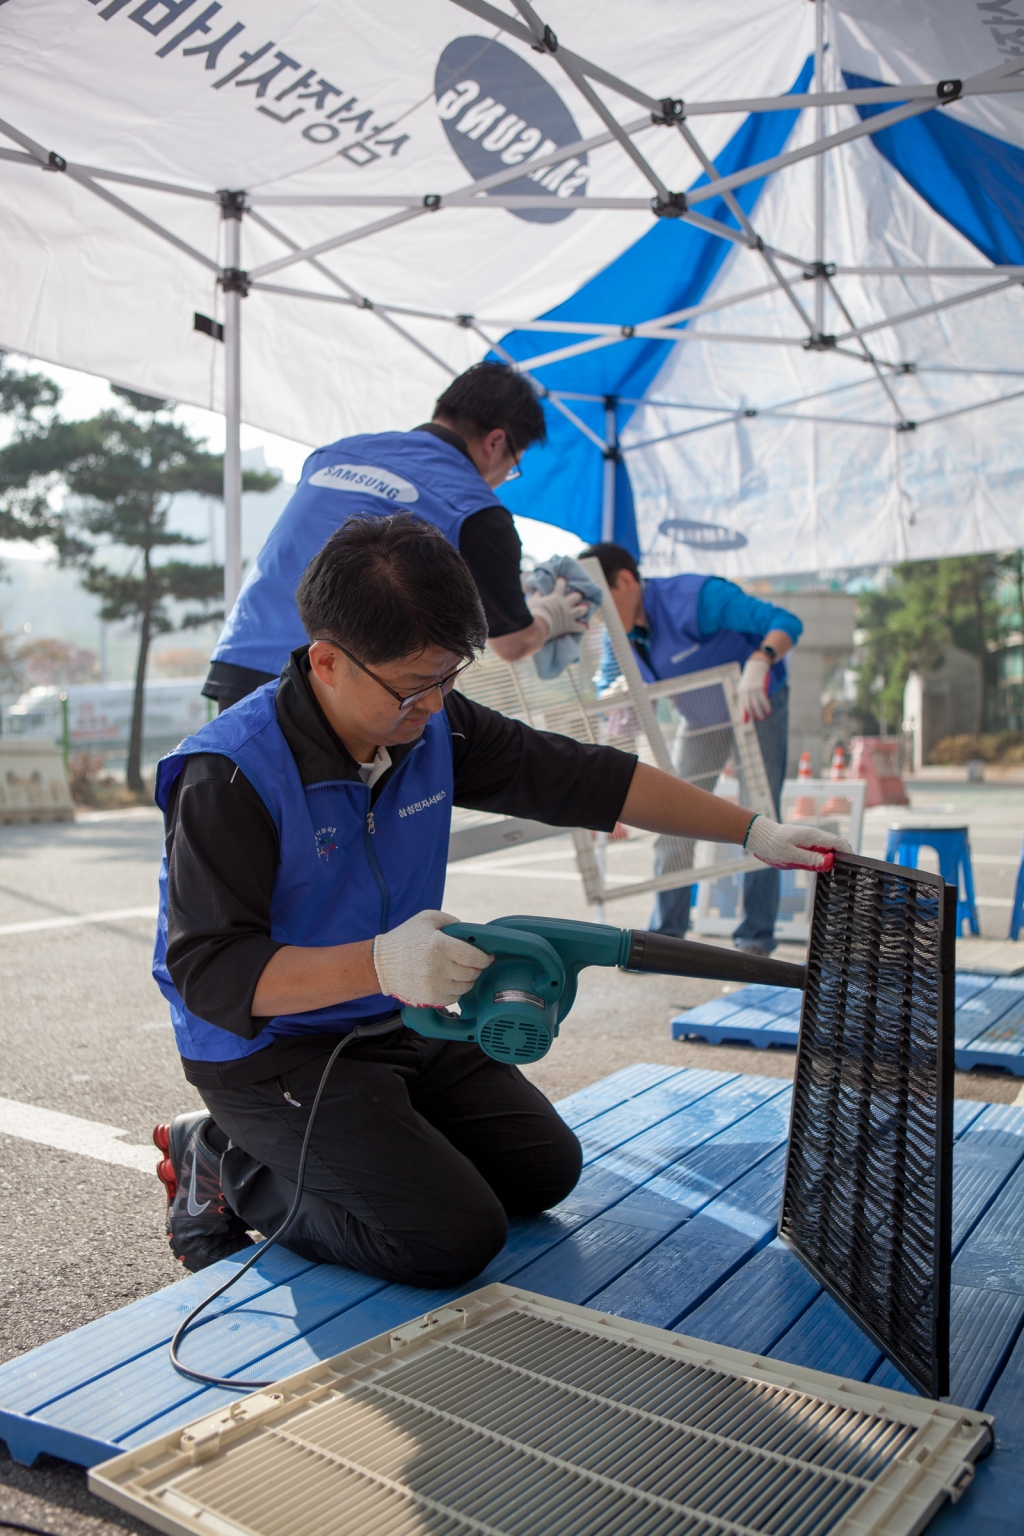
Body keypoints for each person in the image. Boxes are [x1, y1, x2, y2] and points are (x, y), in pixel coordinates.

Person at [155, 514, 846, 1280]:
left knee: (543, 1174)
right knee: (448, 1238)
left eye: (450, 679)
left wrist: (752, 831)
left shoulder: (429, 727)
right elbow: (214, 978)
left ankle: (373, 1132)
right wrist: (384, 963)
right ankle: (223, 1162)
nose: (435, 708)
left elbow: (583, 775)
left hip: (397, 1016)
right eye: (415, 689)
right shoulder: (230, 775)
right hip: (270, 1053)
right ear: (326, 662)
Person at [204, 360, 587, 710]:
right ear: (496, 442)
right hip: (328, 690)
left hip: (239, 662)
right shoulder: (476, 509)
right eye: (513, 467)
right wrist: (550, 615)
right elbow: (513, 642)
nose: (504, 479)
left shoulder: (334, 454)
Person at [581, 542, 804, 956]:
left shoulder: (696, 598)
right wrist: (622, 711)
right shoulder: (617, 633)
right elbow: (614, 696)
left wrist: (761, 660)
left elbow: (785, 621)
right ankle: (666, 937)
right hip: (700, 718)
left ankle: (755, 937)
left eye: (599, 597)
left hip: (755, 703)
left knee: (761, 817)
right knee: (673, 814)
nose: (595, 612)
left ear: (627, 581)